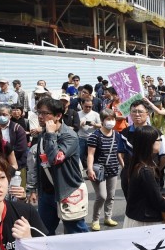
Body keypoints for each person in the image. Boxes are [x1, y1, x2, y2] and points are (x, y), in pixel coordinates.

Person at [29, 97, 89, 235]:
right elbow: (38, 164)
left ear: (58, 116)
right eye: (39, 113)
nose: (40, 117)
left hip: (67, 191)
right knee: (44, 232)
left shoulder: (69, 136)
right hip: (46, 193)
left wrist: (50, 134)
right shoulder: (43, 134)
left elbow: (55, 159)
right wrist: (34, 189)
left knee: (76, 231)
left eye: (45, 113)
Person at [123, 125, 165, 227]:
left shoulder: (138, 164)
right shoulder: (145, 170)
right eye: (159, 140)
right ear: (149, 143)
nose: (161, 142)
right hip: (145, 221)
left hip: (137, 217)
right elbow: (157, 201)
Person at [86, 109, 125, 231]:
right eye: (108, 119)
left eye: (113, 119)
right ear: (102, 121)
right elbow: (90, 154)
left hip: (113, 169)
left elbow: (118, 154)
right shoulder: (94, 136)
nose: (111, 121)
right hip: (99, 170)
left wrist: (124, 167)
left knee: (111, 196)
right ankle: (95, 220)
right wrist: (90, 169)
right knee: (102, 196)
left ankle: (108, 217)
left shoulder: (117, 135)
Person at [77, 98, 101, 168]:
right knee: (79, 156)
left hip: (92, 138)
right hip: (81, 137)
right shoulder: (78, 114)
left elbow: (101, 125)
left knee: (91, 156)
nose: (88, 108)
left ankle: (91, 170)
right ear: (82, 105)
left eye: (90, 107)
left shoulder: (95, 114)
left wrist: (95, 124)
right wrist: (80, 124)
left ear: (92, 105)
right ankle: (80, 171)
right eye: (86, 106)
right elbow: (74, 126)